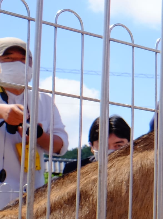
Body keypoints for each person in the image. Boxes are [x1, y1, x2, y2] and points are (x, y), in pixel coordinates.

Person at [0, 37, 68, 209]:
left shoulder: (43, 100)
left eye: (23, 60)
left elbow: (60, 146)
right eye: (8, 58)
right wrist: (2, 111)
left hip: (32, 199)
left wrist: (38, 135)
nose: (17, 64)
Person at [61, 115, 131, 176]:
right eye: (103, 146)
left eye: (119, 145)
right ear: (92, 147)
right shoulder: (74, 171)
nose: (111, 152)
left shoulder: (137, 170)